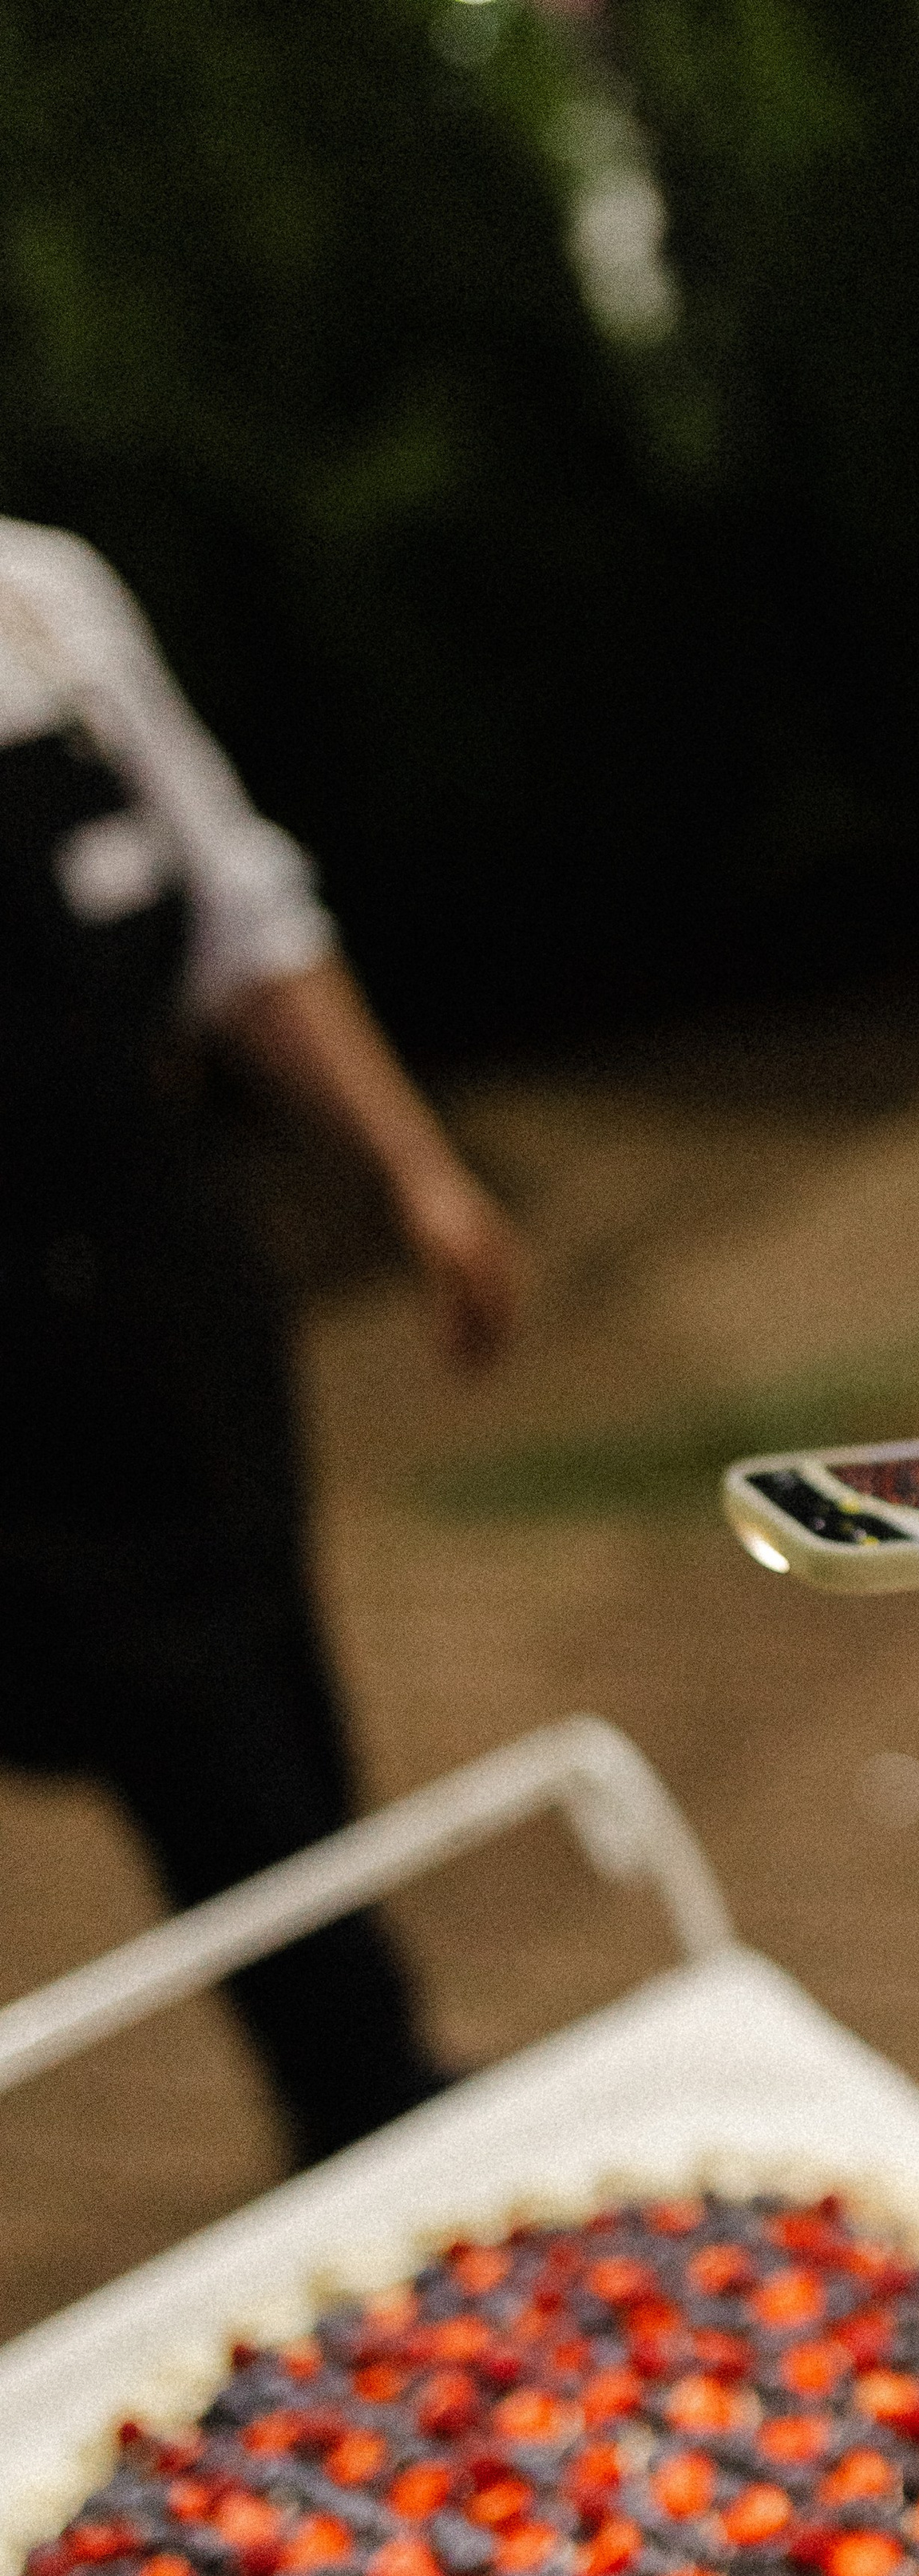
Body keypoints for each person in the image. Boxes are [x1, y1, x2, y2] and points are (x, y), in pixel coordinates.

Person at [0, 516, 526, 2167]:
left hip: (174, 1261)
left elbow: (237, 910)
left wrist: (413, 1171)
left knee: (281, 1677)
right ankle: (369, 2098)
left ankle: (363, 2090)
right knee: (192, 1723)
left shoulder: (47, 602)